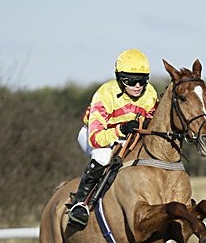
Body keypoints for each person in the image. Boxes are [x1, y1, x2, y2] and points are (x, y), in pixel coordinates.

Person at [67, 49, 159, 227]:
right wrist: (120, 129)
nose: (138, 85)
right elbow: (95, 139)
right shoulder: (104, 94)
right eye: (132, 81)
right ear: (120, 79)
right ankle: (80, 204)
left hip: (127, 137)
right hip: (95, 135)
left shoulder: (150, 94)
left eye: (142, 80)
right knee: (103, 156)